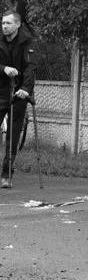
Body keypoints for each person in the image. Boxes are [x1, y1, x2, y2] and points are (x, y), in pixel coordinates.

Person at [0, 10, 36, 188]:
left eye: (8, 23)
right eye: (3, 23)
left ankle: (6, 175)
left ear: (17, 24)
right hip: (0, 91)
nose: (4, 26)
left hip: (18, 93)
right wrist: (4, 68)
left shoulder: (26, 42)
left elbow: (30, 67)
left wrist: (25, 89)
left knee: (12, 137)